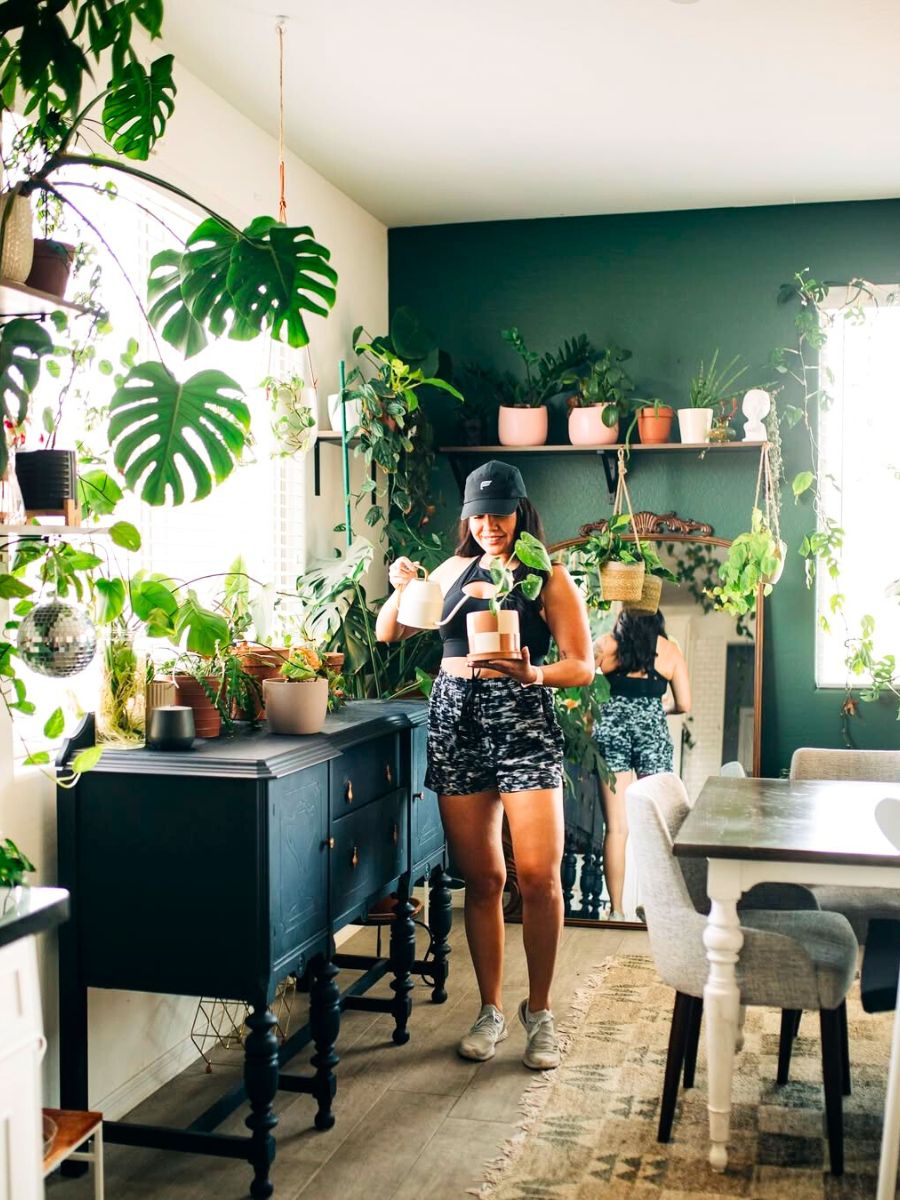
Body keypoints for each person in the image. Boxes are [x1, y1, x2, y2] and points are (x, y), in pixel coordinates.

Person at [376, 461, 594, 1069]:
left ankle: (541, 1012)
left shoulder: (546, 578)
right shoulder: (449, 572)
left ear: (521, 513)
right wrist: (400, 585)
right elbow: (388, 632)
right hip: (455, 720)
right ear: (467, 518)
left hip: (522, 717)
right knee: (483, 879)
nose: (491, 525)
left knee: (540, 878)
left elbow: (582, 665)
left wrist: (535, 674)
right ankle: (492, 1010)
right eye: (480, 514)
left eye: (502, 514)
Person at [593, 606, 691, 919]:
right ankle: (657, 907)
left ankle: (617, 911)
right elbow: (684, 703)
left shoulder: (606, 644)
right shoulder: (670, 650)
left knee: (617, 828)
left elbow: (583, 686)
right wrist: (660, 709)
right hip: (652, 735)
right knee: (658, 826)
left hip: (611, 733)